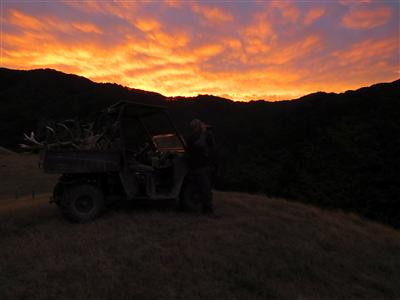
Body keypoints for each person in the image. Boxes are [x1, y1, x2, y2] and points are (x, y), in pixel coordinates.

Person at [186, 119, 219, 217]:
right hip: (197, 167)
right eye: (201, 125)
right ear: (197, 127)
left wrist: (209, 134)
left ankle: (204, 208)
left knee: (204, 188)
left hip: (203, 166)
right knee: (206, 189)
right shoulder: (192, 137)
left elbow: (212, 145)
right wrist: (204, 133)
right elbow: (199, 145)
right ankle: (208, 211)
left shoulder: (200, 136)